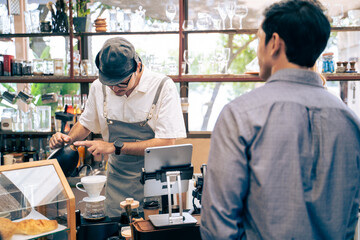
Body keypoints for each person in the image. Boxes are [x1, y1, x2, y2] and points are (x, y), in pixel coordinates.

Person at [200, 0, 360, 239]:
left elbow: (218, 225)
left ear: (274, 43)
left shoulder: (240, 115)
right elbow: (350, 217)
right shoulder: (350, 121)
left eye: (258, 39)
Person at [49, 37, 186, 217]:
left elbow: (167, 143)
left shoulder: (162, 87)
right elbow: (86, 123)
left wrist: (114, 147)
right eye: (109, 83)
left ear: (138, 67)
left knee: (148, 231)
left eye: (121, 83)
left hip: (153, 182)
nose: (115, 89)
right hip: (117, 180)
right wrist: (68, 138)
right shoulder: (99, 87)